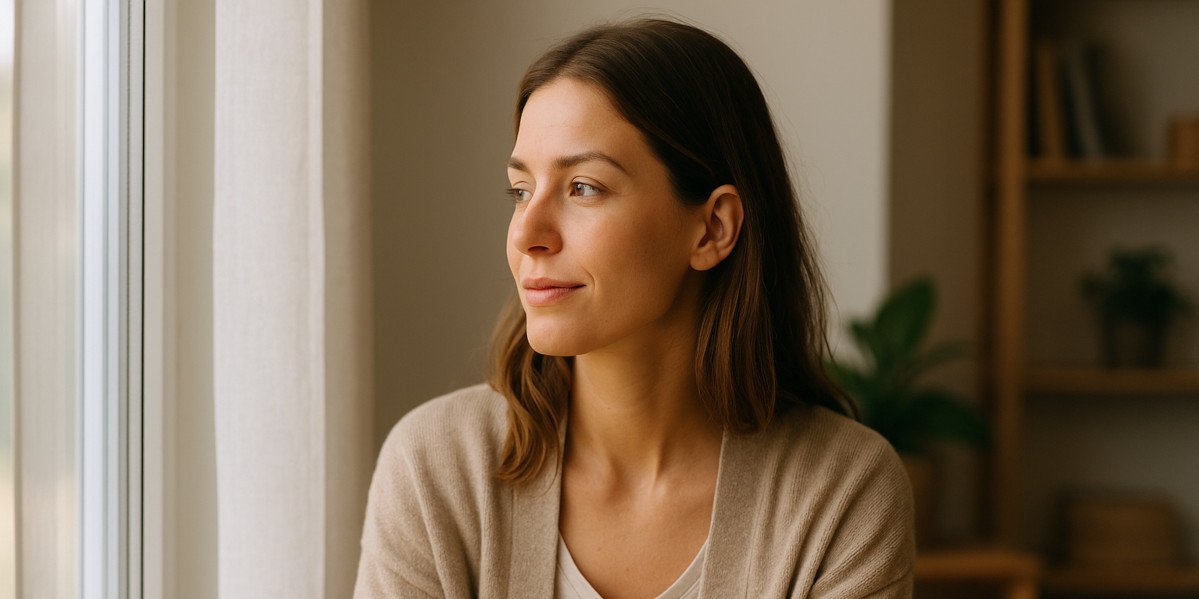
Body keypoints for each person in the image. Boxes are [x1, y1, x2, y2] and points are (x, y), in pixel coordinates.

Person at [354, 18, 913, 599]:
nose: (528, 235)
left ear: (712, 228)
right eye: (521, 191)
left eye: (584, 188)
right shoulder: (436, 469)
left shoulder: (841, 492)